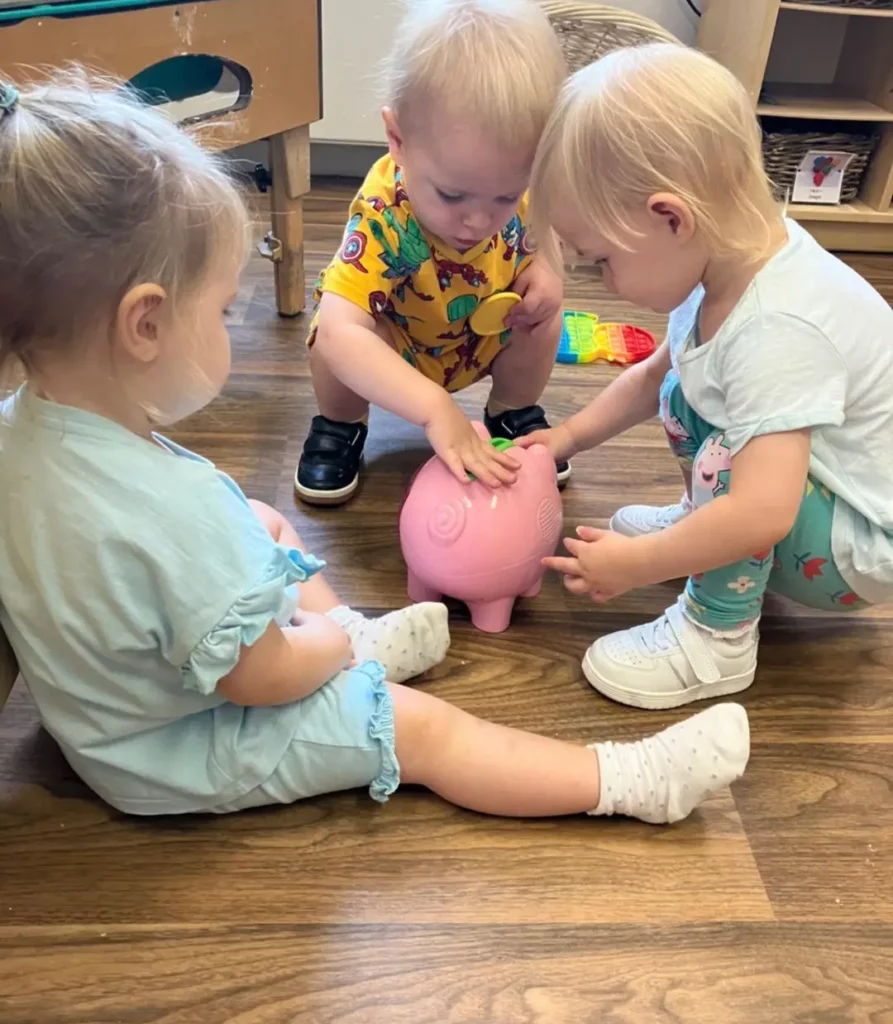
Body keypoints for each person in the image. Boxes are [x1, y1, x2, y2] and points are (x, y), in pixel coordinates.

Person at [0, 74, 749, 822]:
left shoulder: (15, 431)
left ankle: (361, 638)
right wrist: (324, 644)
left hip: (103, 720)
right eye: (224, 310)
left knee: (261, 519)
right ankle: (627, 781)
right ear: (145, 325)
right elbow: (257, 679)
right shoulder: (174, 513)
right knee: (422, 730)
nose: (230, 323)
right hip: (186, 746)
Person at [519, 44, 893, 710]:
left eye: (600, 259)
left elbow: (761, 510)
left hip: (857, 546)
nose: (599, 280)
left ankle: (715, 638)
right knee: (684, 392)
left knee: (728, 461)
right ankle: (703, 530)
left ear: (670, 218)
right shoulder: (726, 257)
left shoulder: (775, 328)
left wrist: (639, 564)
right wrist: (564, 440)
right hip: (822, 498)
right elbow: (652, 378)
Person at [295, 0, 571, 507]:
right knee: (330, 341)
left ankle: (511, 410)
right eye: (452, 195)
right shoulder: (384, 215)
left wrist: (546, 267)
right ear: (397, 139)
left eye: (506, 197)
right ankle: (340, 424)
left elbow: (542, 225)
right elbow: (339, 331)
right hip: (394, 349)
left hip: (480, 338)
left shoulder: (517, 180)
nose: (479, 221)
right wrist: (433, 408)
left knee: (544, 314)